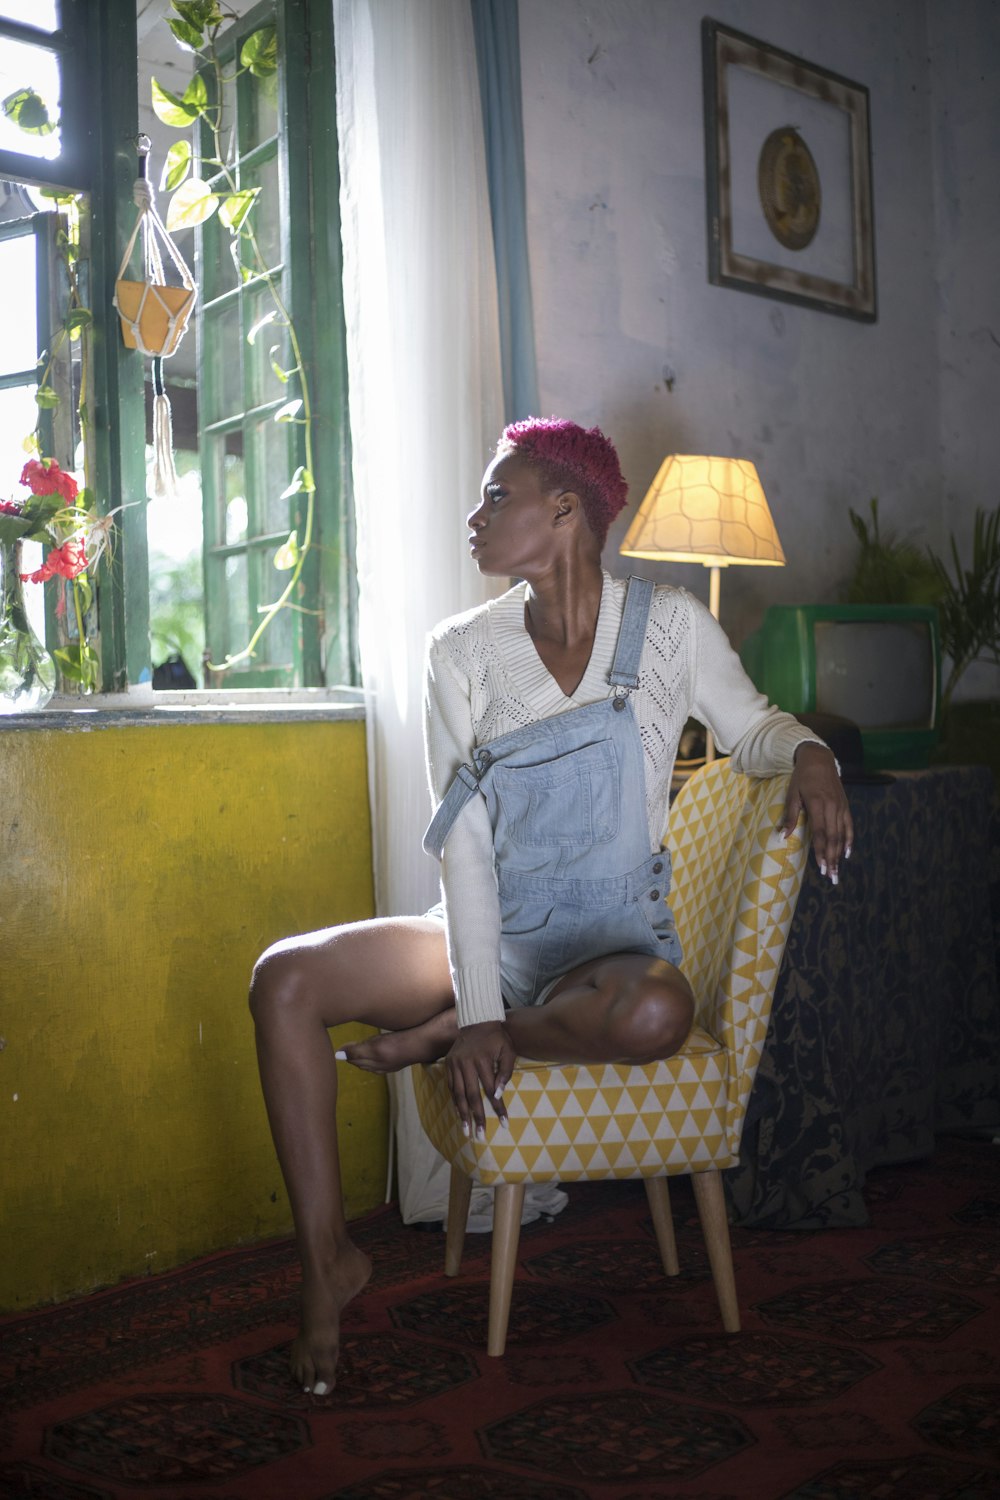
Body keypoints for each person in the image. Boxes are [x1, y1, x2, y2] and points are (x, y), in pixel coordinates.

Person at [250, 417, 852, 1395]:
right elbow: (467, 845)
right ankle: (326, 1264)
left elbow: (753, 730)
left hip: (609, 946)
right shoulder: (461, 652)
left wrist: (811, 754)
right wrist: (481, 1002)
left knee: (660, 1011)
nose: (474, 516)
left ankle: (455, 1031)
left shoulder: (670, 629)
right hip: (487, 933)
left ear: (564, 508)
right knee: (282, 978)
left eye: (498, 495)